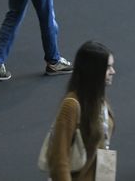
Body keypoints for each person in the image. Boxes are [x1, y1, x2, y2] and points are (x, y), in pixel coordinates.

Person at [45, 41, 116, 181]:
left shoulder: (99, 100)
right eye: (108, 68)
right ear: (94, 71)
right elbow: (59, 159)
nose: (113, 71)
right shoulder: (71, 105)